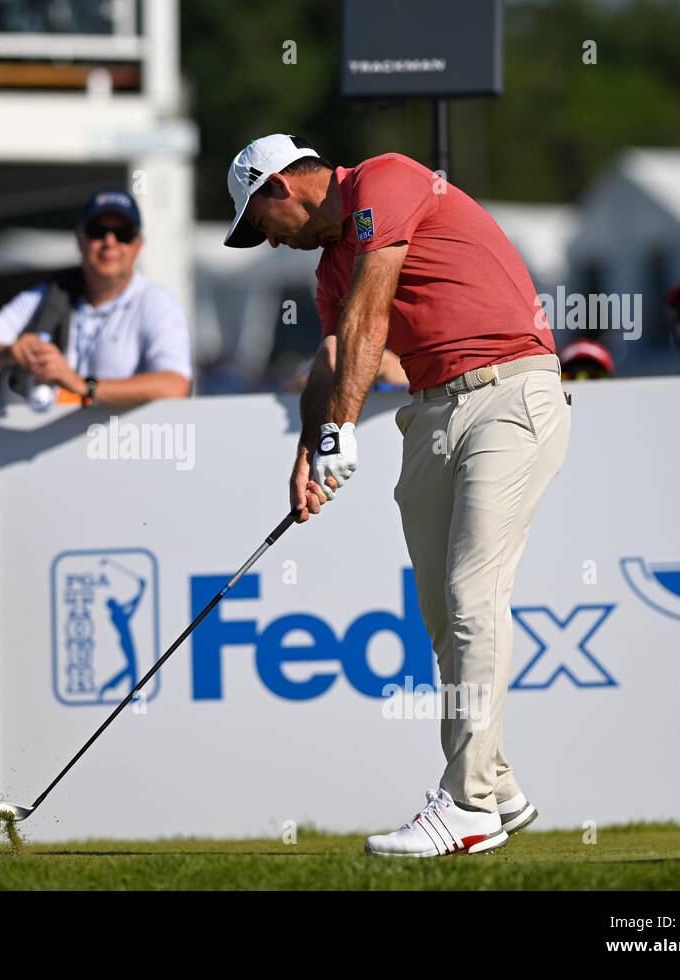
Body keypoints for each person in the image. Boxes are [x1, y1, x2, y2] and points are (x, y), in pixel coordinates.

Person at [224, 134, 571, 857]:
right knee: (443, 613)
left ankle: (467, 804)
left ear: (279, 187)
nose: (269, 243)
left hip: (511, 395)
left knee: (474, 596)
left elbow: (372, 309)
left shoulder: (385, 177)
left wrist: (343, 432)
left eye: (261, 226)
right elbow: (334, 358)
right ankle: (495, 781)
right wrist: (308, 451)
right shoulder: (327, 271)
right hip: (431, 412)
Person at [0, 188, 192, 407]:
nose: (109, 242)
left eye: (123, 233)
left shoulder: (155, 302)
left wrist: (82, 387)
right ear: (80, 239)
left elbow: (175, 385)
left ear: (138, 245)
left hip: (122, 448)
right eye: (98, 231)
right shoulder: (48, 295)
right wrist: (9, 352)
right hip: (47, 446)